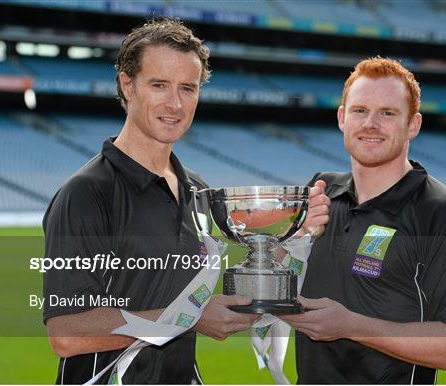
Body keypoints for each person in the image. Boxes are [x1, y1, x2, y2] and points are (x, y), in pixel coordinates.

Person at [42, 17, 329, 384]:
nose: (174, 103)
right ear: (127, 85)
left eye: (187, 88)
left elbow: (207, 295)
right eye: (159, 85)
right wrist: (189, 318)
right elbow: (66, 333)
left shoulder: (197, 190)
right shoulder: (85, 194)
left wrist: (289, 240)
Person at [280, 57, 446, 384]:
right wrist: (296, 238)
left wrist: (351, 326)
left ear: (413, 125)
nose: (370, 124)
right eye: (360, 110)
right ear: (342, 118)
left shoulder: (445, 216)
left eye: (388, 113)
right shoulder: (320, 192)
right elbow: (262, 292)